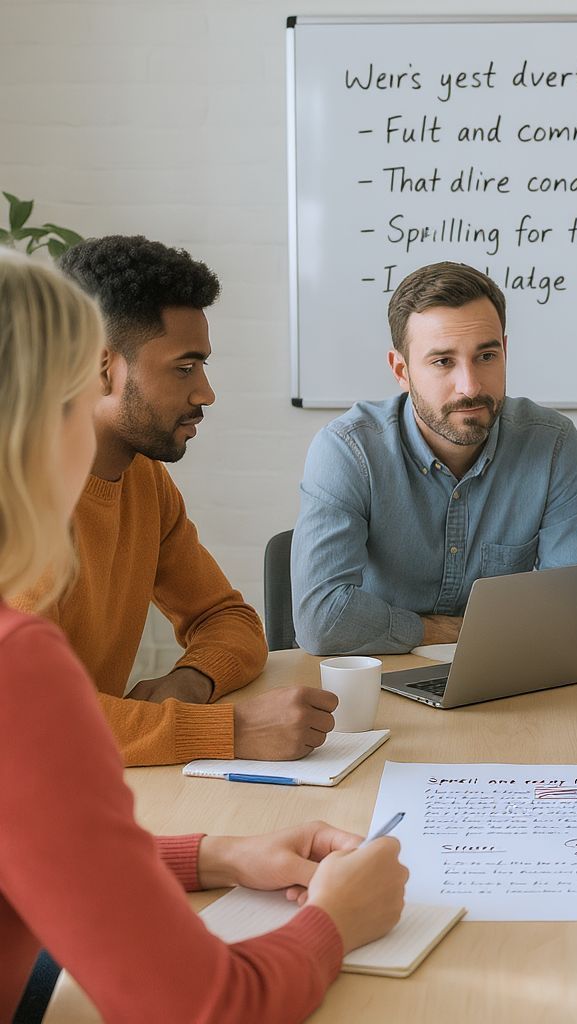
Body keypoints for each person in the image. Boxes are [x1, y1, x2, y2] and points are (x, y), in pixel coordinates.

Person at [0, 250, 408, 1022]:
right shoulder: (17, 656)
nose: (207, 391)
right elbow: (207, 1007)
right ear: (85, 381)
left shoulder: (144, 486)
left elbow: (32, 838)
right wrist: (336, 921)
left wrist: (215, 854)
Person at [33, 235, 337, 767]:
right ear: (100, 366)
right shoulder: (23, 504)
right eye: (184, 368)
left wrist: (191, 680)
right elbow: (31, 720)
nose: (206, 393)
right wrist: (231, 731)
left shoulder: (143, 479)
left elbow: (229, 620)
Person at [292, 261, 577, 656]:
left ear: (505, 351)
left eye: (487, 356)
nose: (471, 386)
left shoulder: (552, 445)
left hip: (504, 676)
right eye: (443, 362)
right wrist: (447, 633)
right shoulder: (349, 450)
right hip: (381, 677)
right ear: (401, 370)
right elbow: (321, 621)